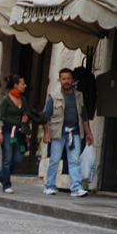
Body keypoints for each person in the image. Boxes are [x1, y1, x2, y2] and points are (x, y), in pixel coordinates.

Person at [42, 68, 94, 197]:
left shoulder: (79, 96)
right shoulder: (54, 96)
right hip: (58, 133)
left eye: (68, 79)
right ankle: (49, 186)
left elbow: (84, 116)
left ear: (72, 80)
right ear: (60, 80)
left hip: (74, 133)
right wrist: (46, 133)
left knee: (74, 160)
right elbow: (45, 116)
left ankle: (76, 188)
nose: (66, 81)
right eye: (63, 79)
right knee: (54, 160)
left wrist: (89, 134)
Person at [0, 74, 30, 194]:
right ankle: (6, 184)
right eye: (22, 83)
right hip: (7, 132)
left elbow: (26, 114)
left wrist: (26, 119)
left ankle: (1, 175)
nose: (25, 86)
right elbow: (0, 118)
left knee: (17, 158)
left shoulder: (23, 99)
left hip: (19, 133)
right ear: (15, 85)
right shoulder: (6, 99)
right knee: (7, 159)